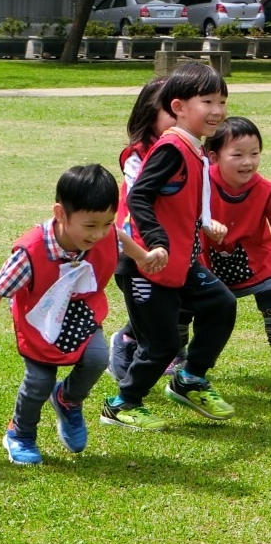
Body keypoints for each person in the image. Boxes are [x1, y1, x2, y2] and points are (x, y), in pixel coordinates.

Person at [0, 165, 164, 465]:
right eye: (90, 225)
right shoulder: (30, 253)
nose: (99, 234)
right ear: (60, 214)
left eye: (107, 222)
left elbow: (119, 238)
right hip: (40, 322)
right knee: (39, 381)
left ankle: (68, 400)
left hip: (81, 313)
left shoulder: (105, 234)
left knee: (97, 358)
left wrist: (143, 257)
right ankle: (20, 433)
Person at [104, 62, 237, 432]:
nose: (217, 110)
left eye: (222, 101)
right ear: (178, 107)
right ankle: (122, 404)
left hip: (182, 263)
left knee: (221, 304)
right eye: (207, 101)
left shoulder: (194, 149)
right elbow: (139, 196)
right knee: (161, 345)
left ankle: (190, 379)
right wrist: (157, 241)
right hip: (148, 265)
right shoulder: (172, 148)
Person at [108, 78, 180, 380]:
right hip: (138, 246)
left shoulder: (189, 147)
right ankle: (127, 343)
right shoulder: (138, 153)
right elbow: (139, 195)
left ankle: (162, 347)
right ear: (151, 115)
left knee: (174, 301)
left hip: (173, 241)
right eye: (172, 111)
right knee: (148, 305)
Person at [193, 118, 271, 356]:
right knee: (183, 302)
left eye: (254, 153)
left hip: (258, 265)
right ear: (214, 157)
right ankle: (177, 355)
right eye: (237, 155)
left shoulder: (264, 190)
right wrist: (205, 220)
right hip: (204, 264)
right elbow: (183, 215)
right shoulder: (200, 184)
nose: (248, 162)